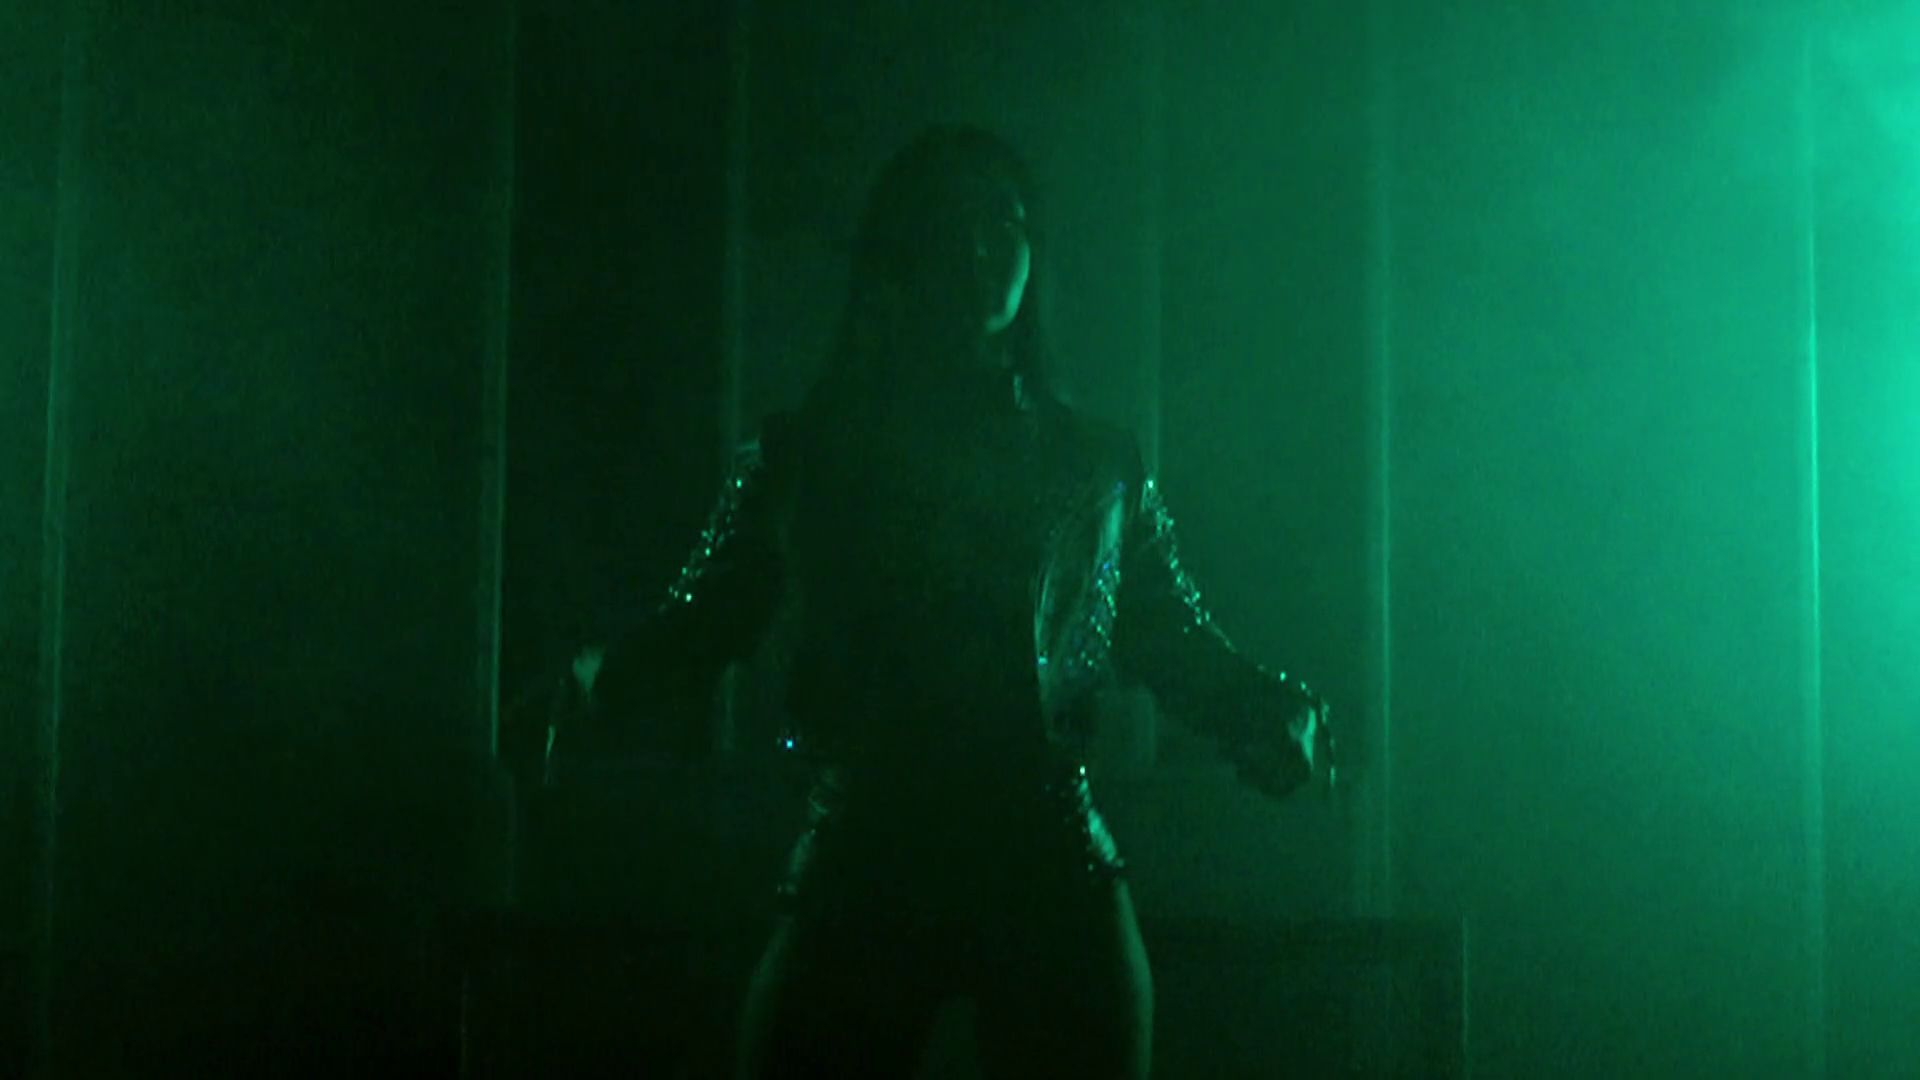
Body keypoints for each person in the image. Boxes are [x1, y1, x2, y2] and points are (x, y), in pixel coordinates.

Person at [558, 124, 1332, 1080]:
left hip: (1039, 854)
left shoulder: (1094, 464)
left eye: (1002, 221)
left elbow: (1162, 626)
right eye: (948, 224)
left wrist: (1265, 704)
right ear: (897, 256)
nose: (979, 249)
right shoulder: (808, 456)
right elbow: (708, 619)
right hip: (873, 851)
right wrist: (596, 682)